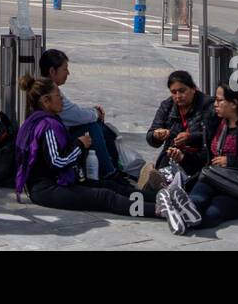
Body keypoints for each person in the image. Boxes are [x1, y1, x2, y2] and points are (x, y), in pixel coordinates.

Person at [14, 74, 149, 217]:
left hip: (59, 182)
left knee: (110, 186)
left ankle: (158, 196)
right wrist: (80, 145)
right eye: (58, 96)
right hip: (47, 189)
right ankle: (159, 210)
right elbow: (57, 161)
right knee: (106, 197)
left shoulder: (43, 119)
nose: (62, 100)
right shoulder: (46, 125)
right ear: (46, 101)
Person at [165, 85, 238, 234]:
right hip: (214, 178)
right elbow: (207, 159)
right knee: (196, 199)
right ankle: (182, 213)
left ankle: (178, 215)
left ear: (234, 103)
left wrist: (231, 161)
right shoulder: (216, 122)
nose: (215, 104)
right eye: (215, 99)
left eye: (220, 100)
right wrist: (183, 157)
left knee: (215, 210)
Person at [40, 48, 117, 178]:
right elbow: (74, 114)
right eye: (65, 69)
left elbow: (73, 111)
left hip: (62, 134)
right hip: (58, 144)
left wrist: (93, 112)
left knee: (101, 128)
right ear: (52, 71)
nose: (68, 73)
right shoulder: (48, 93)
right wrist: (95, 113)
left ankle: (114, 167)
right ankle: (110, 173)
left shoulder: (48, 88)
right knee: (93, 128)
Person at [145, 70, 209, 174]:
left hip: (198, 160)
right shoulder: (167, 105)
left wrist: (190, 137)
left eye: (182, 91)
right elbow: (150, 136)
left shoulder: (207, 105)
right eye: (173, 92)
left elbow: (215, 136)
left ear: (193, 89)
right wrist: (156, 135)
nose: (178, 96)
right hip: (171, 157)